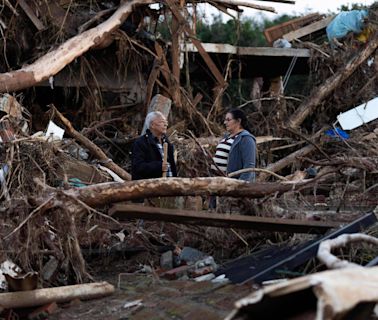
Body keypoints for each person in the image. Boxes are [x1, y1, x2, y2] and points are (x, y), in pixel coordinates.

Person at [212, 109, 256, 181]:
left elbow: (249, 167)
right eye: (225, 120)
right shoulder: (226, 137)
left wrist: (240, 185)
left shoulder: (246, 139)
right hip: (217, 181)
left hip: (232, 183)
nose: (225, 122)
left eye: (228, 120)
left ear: (238, 121)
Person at [132, 111, 177, 180]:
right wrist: (158, 166)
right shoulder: (141, 143)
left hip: (170, 184)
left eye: (166, 122)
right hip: (152, 186)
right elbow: (138, 167)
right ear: (152, 125)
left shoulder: (167, 143)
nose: (165, 125)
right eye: (161, 122)